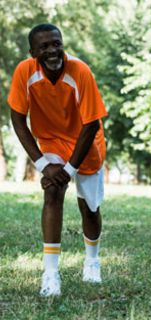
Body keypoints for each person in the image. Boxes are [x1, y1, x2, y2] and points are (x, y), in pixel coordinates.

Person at [8, 23, 107, 297]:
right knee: (52, 191)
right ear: (32, 53)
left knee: (89, 207)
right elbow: (17, 119)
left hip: (86, 143)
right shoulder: (24, 72)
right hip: (51, 140)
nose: (53, 50)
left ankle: (92, 261)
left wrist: (71, 168)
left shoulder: (80, 71)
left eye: (56, 43)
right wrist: (42, 164)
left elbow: (92, 125)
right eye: (44, 46)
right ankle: (50, 273)